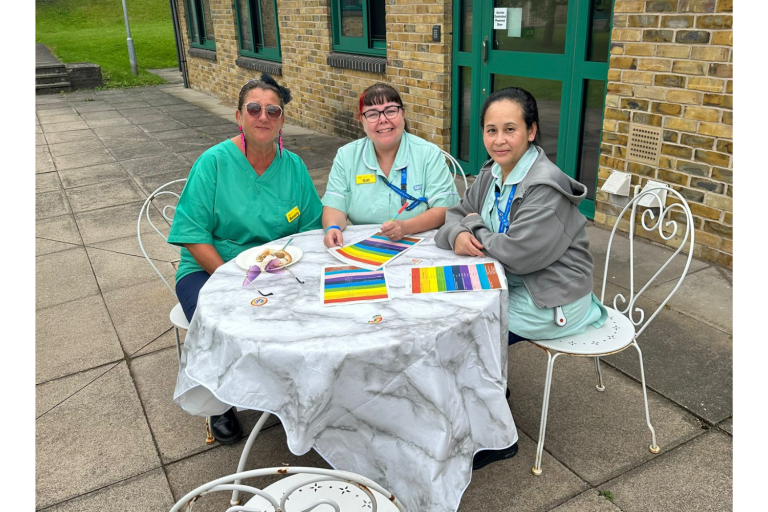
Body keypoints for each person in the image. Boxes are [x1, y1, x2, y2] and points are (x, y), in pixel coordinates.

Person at [435, 87, 607, 470]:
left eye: (510, 129)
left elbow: (517, 256)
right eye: (490, 130)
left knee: (462, 332)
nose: (499, 140)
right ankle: (487, 395)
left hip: (552, 299)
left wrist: (473, 226)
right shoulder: (492, 172)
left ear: (531, 131)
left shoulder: (544, 186)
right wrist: (458, 233)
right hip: (508, 285)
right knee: (446, 313)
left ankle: (495, 437)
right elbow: (453, 214)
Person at [167, 73, 323, 444]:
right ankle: (218, 404)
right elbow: (191, 233)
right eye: (254, 109)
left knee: (311, 313)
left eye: (274, 110)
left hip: (276, 268)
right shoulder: (214, 163)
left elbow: (311, 230)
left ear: (282, 120)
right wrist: (228, 277)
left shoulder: (294, 167)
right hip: (210, 268)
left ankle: (293, 392)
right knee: (224, 321)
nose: (263, 117)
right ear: (239, 116)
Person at [321, 84, 459, 247]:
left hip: (421, 244)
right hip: (365, 246)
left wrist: (407, 227)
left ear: (403, 114)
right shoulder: (346, 156)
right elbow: (334, 206)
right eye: (372, 114)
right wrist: (333, 228)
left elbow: (445, 209)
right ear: (362, 121)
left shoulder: (428, 154)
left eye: (391, 111)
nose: (383, 119)